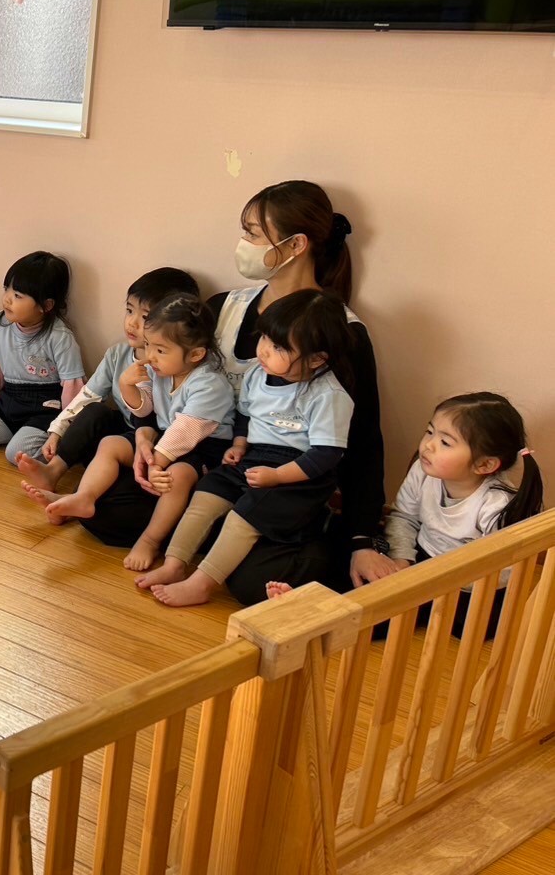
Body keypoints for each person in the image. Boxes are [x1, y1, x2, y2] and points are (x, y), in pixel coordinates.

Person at [208, 180, 385, 604]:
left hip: (286, 485)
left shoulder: (342, 334)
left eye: (253, 234)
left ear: (295, 245)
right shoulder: (223, 307)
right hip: (220, 468)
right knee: (126, 516)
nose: (243, 243)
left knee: (251, 582)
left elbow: (361, 440)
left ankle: (321, 542)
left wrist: (361, 538)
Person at [147, 291, 356, 607]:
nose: (264, 350)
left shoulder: (327, 395)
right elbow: (246, 414)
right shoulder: (258, 373)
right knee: (208, 491)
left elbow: (326, 455)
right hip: (256, 457)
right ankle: (175, 563)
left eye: (279, 347)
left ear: (316, 359)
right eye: (265, 338)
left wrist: (278, 477)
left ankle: (202, 584)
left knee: (247, 513)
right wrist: (239, 444)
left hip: (300, 475)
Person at [22, 294, 235, 572]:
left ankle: (150, 540)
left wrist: (155, 463)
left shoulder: (209, 385)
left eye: (161, 350)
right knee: (111, 444)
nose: (150, 356)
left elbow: (185, 432)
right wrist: (128, 386)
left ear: (195, 354)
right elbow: (144, 408)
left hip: (202, 449)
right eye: (148, 346)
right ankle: (84, 497)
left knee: (176, 477)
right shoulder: (159, 370)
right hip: (164, 439)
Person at [17, 267, 199, 490]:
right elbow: (88, 396)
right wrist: (57, 431)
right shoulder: (117, 355)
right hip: (120, 435)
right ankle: (53, 471)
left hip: (156, 446)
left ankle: (87, 490)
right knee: (94, 411)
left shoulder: (171, 366)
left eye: (145, 317)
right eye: (129, 310)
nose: (132, 323)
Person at [380, 393, 543, 637]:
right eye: (429, 431)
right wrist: (402, 559)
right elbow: (404, 517)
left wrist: (441, 583)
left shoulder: (495, 503)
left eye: (445, 442)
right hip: (424, 558)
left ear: (484, 465)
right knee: (378, 604)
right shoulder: (422, 471)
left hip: (469, 581)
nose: (428, 445)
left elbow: (501, 570)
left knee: (477, 629)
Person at [0, 252, 85, 464]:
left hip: (46, 407)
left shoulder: (59, 337)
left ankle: (45, 442)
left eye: (18, 295)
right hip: (10, 399)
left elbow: (73, 385)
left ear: (46, 305)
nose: (7, 298)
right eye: (7, 289)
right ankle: (22, 433)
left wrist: (62, 427)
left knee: (15, 454)